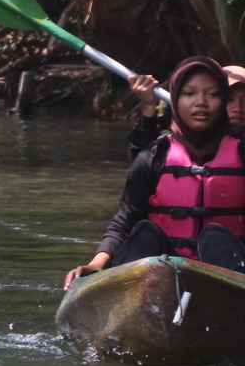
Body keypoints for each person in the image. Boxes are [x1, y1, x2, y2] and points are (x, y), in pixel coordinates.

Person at [65, 57, 245, 289]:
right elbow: (125, 220)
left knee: (214, 236)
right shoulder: (153, 155)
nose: (201, 102)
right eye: (189, 94)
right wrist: (96, 264)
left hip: (227, 277)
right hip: (164, 275)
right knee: (145, 231)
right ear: (175, 100)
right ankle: (126, 294)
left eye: (213, 95)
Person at [125, 63, 245, 159]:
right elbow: (140, 158)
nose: (238, 108)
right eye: (229, 100)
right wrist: (149, 106)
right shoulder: (168, 145)